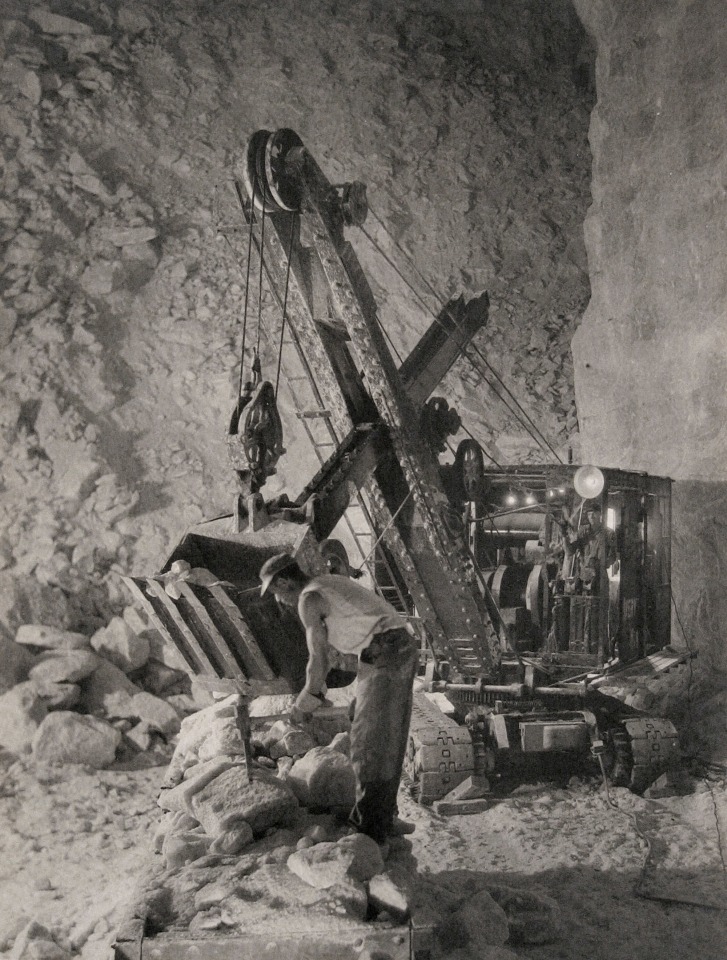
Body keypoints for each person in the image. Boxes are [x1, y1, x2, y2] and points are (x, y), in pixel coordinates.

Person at [259, 552, 418, 846]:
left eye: (275, 592)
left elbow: (318, 658)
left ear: (283, 582)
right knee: (378, 732)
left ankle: (369, 832)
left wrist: (305, 701)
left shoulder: (308, 599)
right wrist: (319, 692)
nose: (278, 600)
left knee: (371, 742)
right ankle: (383, 817)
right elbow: (335, 652)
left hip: (386, 651)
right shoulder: (328, 582)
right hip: (391, 648)